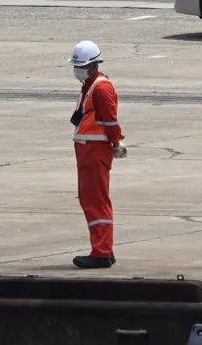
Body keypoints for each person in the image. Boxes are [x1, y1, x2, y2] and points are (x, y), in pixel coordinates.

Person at [69, 40, 125, 269]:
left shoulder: (101, 88)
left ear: (93, 65)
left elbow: (110, 119)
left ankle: (101, 252)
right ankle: (104, 249)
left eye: (80, 65)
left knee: (96, 201)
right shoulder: (90, 85)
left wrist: (116, 142)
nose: (76, 69)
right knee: (89, 199)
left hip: (94, 150)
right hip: (87, 150)